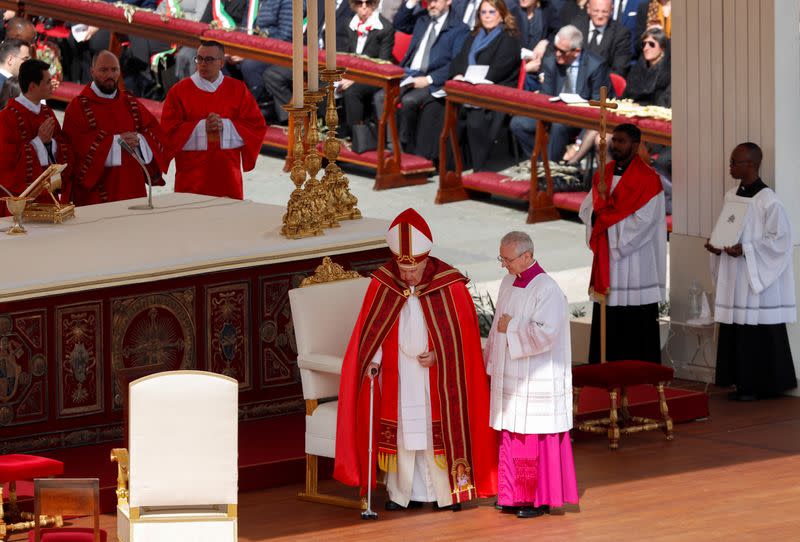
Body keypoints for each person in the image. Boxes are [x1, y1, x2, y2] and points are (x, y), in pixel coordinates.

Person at [335, 208, 497, 512]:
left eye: (413, 269)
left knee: (436, 432)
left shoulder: (450, 285)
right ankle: (401, 494)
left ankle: (446, 495)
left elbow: (464, 340)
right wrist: (374, 360)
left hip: (436, 376)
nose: (407, 275)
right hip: (399, 374)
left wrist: (440, 354)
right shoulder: (384, 283)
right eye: (403, 269)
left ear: (426, 259)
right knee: (404, 434)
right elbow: (372, 331)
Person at [484, 231, 578, 519]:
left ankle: (538, 499)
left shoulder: (547, 289)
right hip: (512, 375)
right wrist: (489, 361)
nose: (504, 265)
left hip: (537, 377)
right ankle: (513, 495)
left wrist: (510, 329)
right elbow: (498, 324)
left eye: (507, 259)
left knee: (533, 439)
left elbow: (547, 334)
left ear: (526, 256)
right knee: (512, 435)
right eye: (501, 258)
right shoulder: (508, 282)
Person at [705, 143, 797, 401]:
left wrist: (746, 250)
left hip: (754, 276)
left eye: (735, 162)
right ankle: (738, 381)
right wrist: (717, 245)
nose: (730, 166)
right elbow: (727, 228)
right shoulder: (731, 195)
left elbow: (780, 240)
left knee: (756, 328)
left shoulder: (769, 201)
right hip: (735, 274)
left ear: (752, 165)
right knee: (736, 327)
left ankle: (760, 384)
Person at [578, 123, 666, 363]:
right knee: (609, 312)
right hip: (608, 258)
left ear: (636, 145)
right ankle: (604, 364)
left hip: (636, 259)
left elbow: (644, 223)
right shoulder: (603, 175)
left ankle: (640, 368)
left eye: (621, 141)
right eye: (614, 140)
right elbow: (587, 209)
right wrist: (597, 215)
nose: (616, 145)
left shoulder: (648, 180)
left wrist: (606, 221)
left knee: (635, 316)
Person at [161, 40, 267, 200]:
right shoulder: (179, 91)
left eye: (209, 59)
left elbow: (256, 126)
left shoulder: (238, 89)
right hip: (191, 178)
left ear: (222, 62)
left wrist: (224, 126)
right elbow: (168, 132)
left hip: (227, 176)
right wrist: (202, 127)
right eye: (199, 59)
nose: (203, 64)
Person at [63, 50, 169, 206]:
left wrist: (140, 140)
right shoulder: (78, 107)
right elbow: (73, 150)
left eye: (114, 70)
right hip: (97, 195)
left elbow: (154, 132)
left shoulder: (130, 103)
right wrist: (116, 142)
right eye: (103, 70)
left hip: (133, 189)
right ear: (92, 71)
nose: (110, 75)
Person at [509, 24, 609, 160]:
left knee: (559, 126)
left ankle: (550, 168)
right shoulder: (551, 62)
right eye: (555, 49)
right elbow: (546, 96)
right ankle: (541, 163)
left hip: (581, 117)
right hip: (554, 111)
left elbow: (598, 106)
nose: (557, 54)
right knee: (518, 124)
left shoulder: (595, 66)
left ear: (576, 51)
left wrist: (579, 143)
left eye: (562, 51)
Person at [392, 0, 470, 160]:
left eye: (436, 1)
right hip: (408, 73)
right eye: (429, 1)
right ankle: (391, 144)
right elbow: (399, 23)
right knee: (381, 96)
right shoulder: (423, 19)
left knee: (409, 101)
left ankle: (407, 148)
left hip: (432, 78)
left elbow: (456, 62)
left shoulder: (459, 28)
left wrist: (429, 79)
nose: (431, 5)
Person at [448, 0, 521, 171]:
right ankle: (454, 165)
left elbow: (499, 70)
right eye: (483, 12)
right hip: (470, 89)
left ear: (502, 15)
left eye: (491, 12)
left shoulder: (509, 39)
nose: (487, 16)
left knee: (475, 120)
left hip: (494, 92)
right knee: (450, 115)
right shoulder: (475, 35)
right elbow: (459, 60)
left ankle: (479, 168)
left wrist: (472, 81)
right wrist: (459, 75)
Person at [0, 59, 69, 209]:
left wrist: (51, 143)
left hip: (48, 194)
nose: (53, 85)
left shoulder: (47, 112)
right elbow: (6, 164)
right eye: (47, 82)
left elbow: (63, 144)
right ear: (32, 86)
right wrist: (38, 143)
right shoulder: (6, 118)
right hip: (20, 199)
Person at [340, 0, 395, 133]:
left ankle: (356, 136)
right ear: (353, 5)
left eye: (368, 2)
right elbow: (344, 54)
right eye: (359, 2)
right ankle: (328, 130)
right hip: (350, 72)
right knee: (325, 82)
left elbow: (382, 63)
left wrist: (355, 78)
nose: (364, 7)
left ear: (375, 4)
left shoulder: (385, 27)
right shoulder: (349, 24)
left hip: (374, 76)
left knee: (352, 91)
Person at [570, 0, 631, 76]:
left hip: (603, 84)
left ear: (611, 10)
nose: (600, 16)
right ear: (588, 9)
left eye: (604, 12)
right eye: (596, 11)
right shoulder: (576, 27)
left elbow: (619, 70)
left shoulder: (621, 34)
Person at [622, 27, 670, 107]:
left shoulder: (669, 72)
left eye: (651, 44)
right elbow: (627, 96)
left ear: (662, 47)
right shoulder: (636, 69)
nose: (646, 48)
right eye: (644, 44)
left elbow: (665, 101)